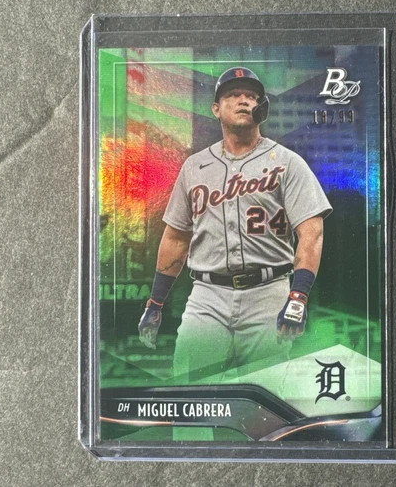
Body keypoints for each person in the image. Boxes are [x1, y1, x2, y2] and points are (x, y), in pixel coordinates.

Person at [139, 67, 333, 383]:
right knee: (191, 392)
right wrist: (155, 302)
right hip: (207, 297)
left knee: (266, 399)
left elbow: (311, 233)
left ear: (262, 108)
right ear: (216, 108)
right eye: (233, 94)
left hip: (268, 294)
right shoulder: (195, 166)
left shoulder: (287, 162)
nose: (244, 100)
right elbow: (176, 239)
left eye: (252, 96)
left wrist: (298, 295)